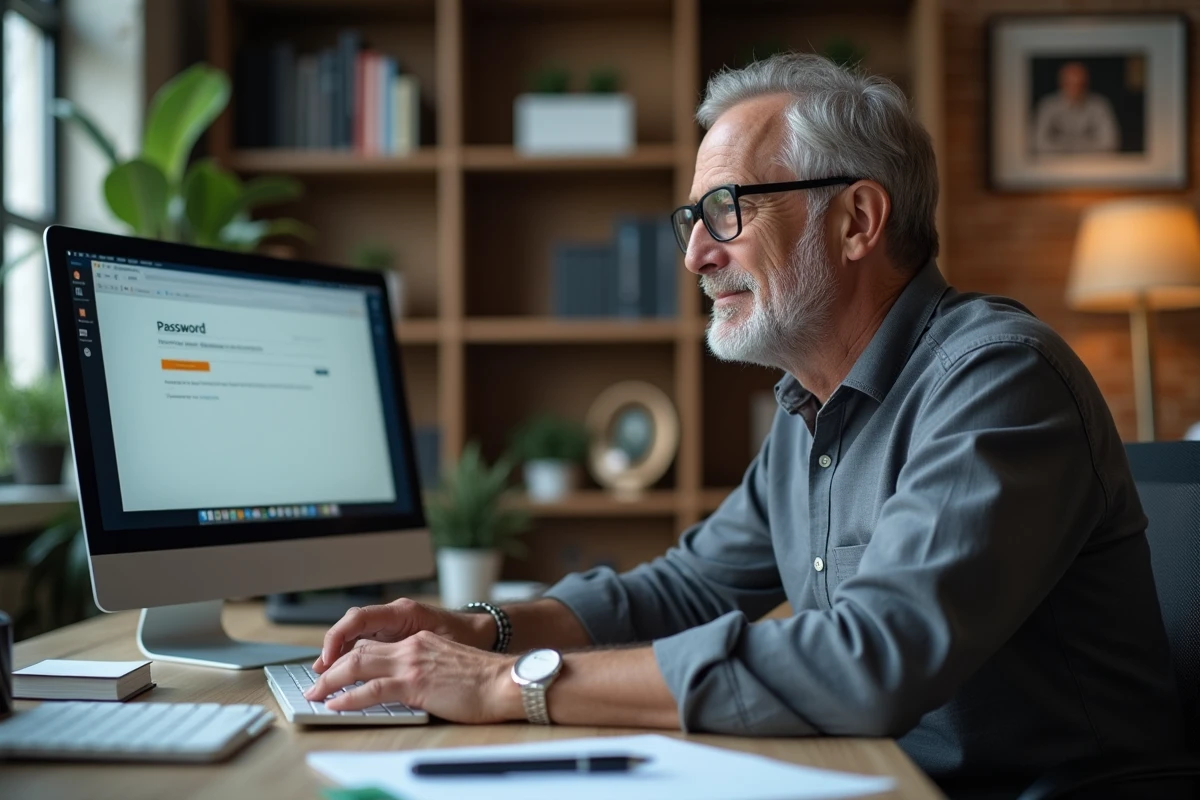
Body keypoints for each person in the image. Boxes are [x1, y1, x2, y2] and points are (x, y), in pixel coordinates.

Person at [304, 53, 1183, 792]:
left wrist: (509, 685)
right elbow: (684, 590)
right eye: (693, 219)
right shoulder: (809, 406)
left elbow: (869, 660)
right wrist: (483, 629)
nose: (695, 254)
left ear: (857, 221)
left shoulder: (998, 380)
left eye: (728, 209)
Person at [1032, 61, 1120, 154]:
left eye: (1079, 84)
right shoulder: (1048, 105)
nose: (1074, 89)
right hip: (1054, 161)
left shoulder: (1099, 105)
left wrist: (1076, 151)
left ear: (1086, 84)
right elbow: (1038, 142)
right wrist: (1067, 151)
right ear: (1061, 83)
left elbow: (1110, 142)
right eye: (1069, 84)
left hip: (1091, 161)